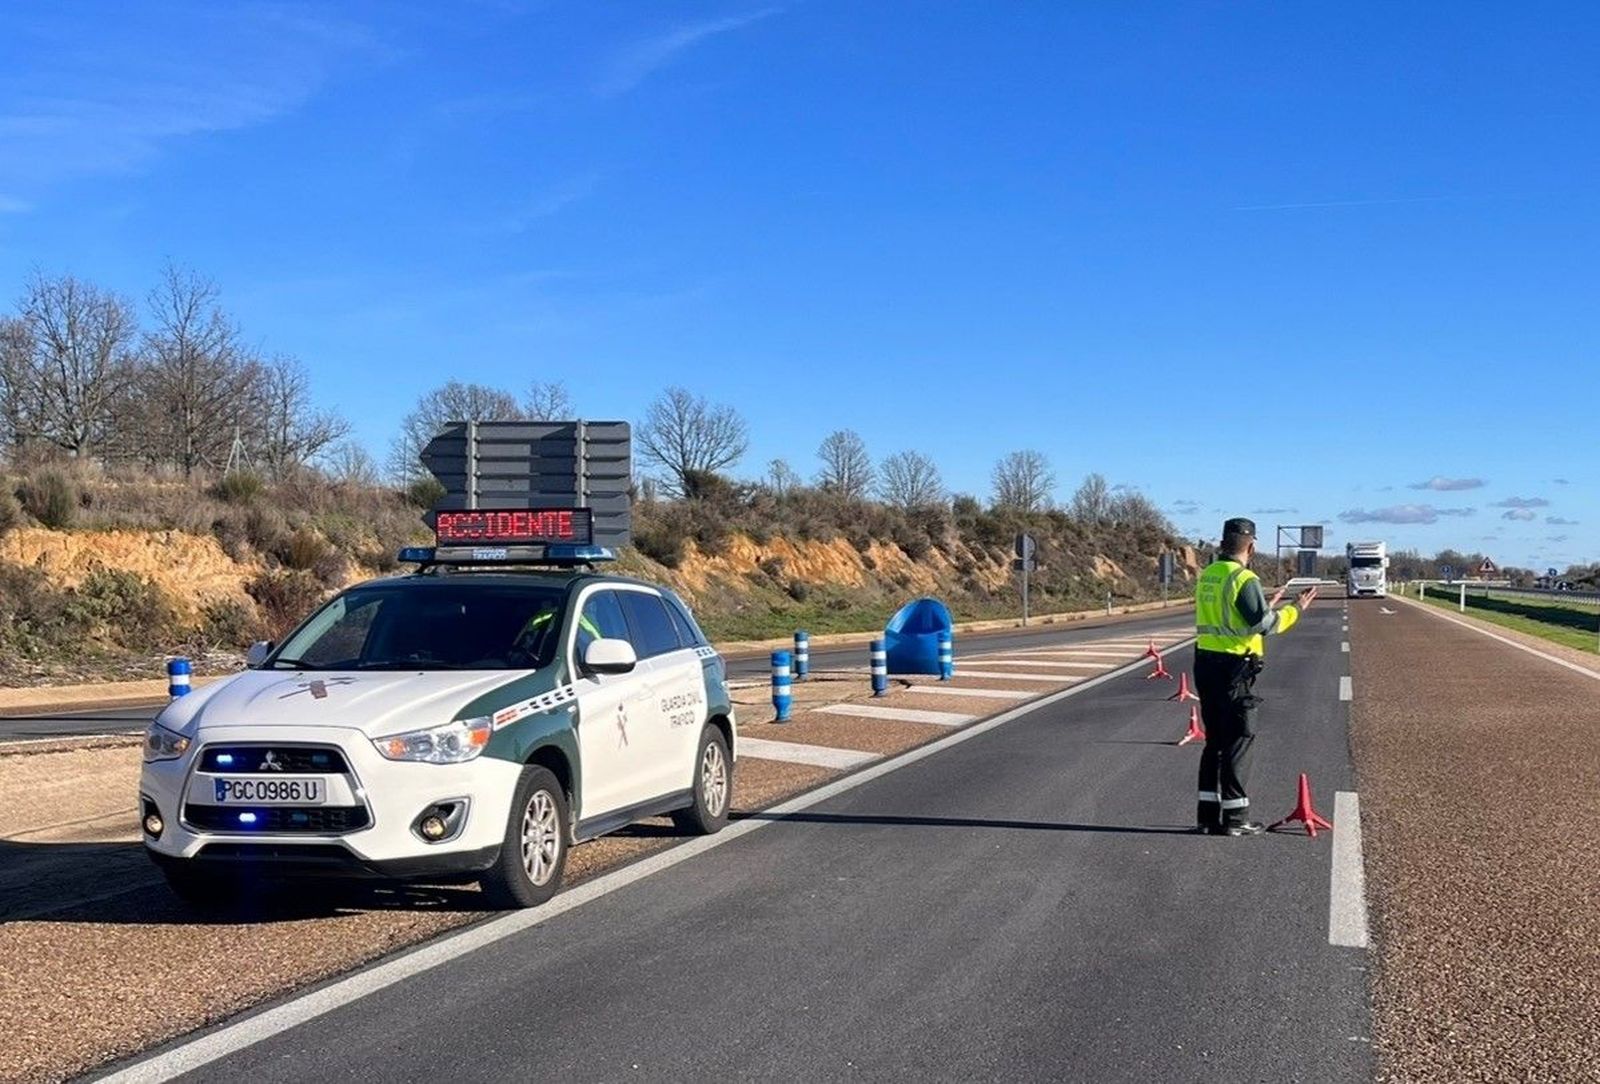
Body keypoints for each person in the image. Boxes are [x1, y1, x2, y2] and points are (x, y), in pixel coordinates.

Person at [1192, 517, 1317, 836]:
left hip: (1206, 663)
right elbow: (1266, 626)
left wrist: (1263, 606)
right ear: (1252, 545)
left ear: (1222, 543)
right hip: (1235, 669)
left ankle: (1208, 817)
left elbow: (1229, 618)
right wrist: (1296, 609)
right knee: (1239, 740)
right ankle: (1235, 819)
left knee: (1214, 742)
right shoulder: (1243, 578)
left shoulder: (1209, 575)